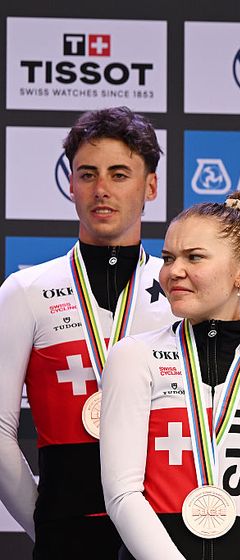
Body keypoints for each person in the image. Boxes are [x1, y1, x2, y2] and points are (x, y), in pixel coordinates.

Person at [100, 192, 240, 559]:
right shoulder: (132, 356)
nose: (173, 271)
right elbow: (122, 494)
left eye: (194, 257)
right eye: (168, 258)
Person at [0, 107, 175, 559]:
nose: (101, 190)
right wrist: (47, 524)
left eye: (119, 174)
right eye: (87, 174)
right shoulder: (25, 291)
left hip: (169, 534)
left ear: (150, 186)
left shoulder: (182, 291)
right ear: (71, 184)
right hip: (66, 535)